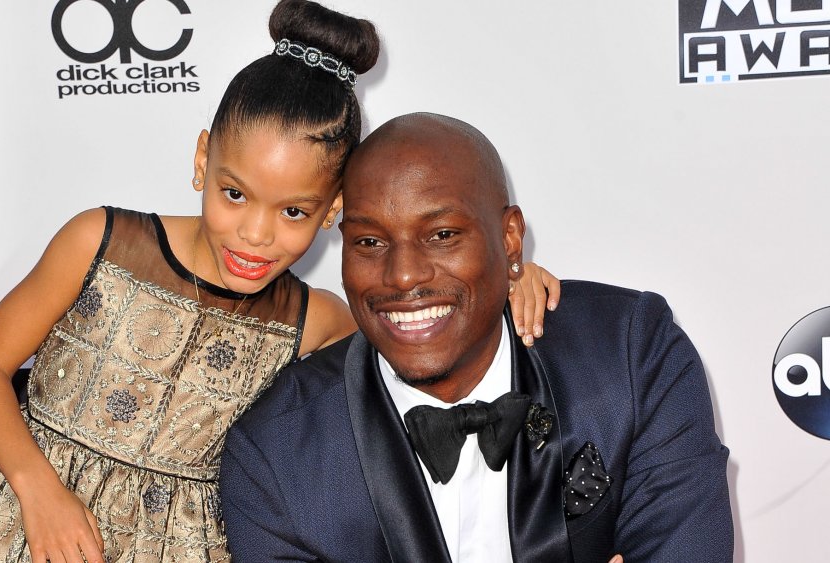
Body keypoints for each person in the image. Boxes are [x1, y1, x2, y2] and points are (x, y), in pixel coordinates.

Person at [0, 3, 559, 562]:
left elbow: (429, 329)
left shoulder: (316, 319)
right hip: (23, 521)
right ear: (201, 160)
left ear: (332, 211)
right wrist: (37, 488)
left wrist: (512, 277)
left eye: (294, 211)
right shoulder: (99, 241)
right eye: (235, 193)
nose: (254, 232)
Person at [219, 113, 734, 563]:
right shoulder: (277, 454)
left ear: (510, 238)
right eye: (370, 241)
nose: (402, 276)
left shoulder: (630, 355)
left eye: (442, 235)